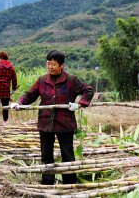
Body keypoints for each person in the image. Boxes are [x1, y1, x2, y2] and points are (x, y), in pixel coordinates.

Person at [10, 50, 94, 185]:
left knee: (67, 154)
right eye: (48, 64)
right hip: (45, 122)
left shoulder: (72, 80)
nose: (50, 67)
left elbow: (88, 90)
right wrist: (19, 103)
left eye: (53, 64)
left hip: (65, 123)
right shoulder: (42, 80)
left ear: (61, 65)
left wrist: (79, 105)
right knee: (46, 154)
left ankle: (70, 183)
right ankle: (47, 183)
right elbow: (30, 95)